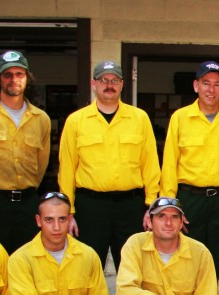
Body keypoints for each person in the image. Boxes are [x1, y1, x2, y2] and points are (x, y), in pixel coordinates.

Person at [58, 60, 161, 270]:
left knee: (134, 268)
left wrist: (151, 206)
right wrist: (68, 211)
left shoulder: (139, 118)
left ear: (122, 84)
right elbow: (67, 169)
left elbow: (150, 165)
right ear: (93, 83)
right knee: (86, 267)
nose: (109, 84)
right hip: (91, 206)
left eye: (114, 80)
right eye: (104, 80)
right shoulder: (76, 121)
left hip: (130, 206)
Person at [161, 61, 219, 272]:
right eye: (206, 83)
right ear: (196, 86)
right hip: (189, 201)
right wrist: (171, 207)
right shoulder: (180, 118)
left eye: (217, 84)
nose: (211, 89)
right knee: (187, 261)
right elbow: (169, 164)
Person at [0, 50, 52, 255]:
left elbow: (41, 166)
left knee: (26, 265)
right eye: (8, 75)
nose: (14, 80)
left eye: (19, 74)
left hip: (27, 205)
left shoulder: (40, 119)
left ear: (27, 78)